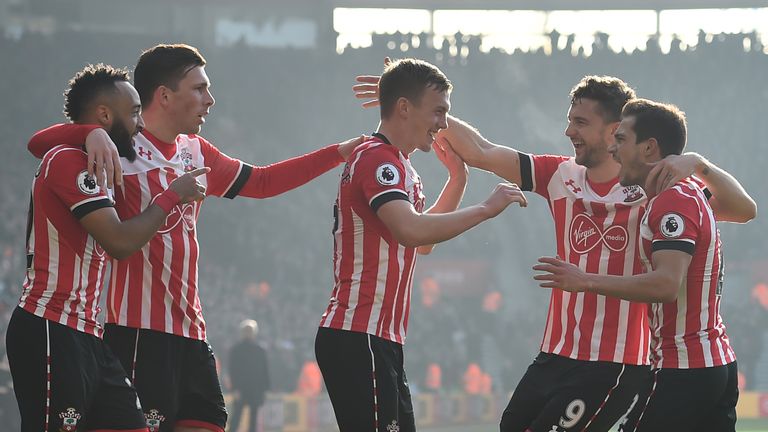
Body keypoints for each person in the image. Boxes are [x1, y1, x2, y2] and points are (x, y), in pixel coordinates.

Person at [354, 73, 756, 431]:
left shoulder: (654, 188)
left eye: (580, 122)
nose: (568, 132)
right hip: (555, 355)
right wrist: (416, 108)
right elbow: (479, 150)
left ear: (614, 130)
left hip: (617, 362)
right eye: (569, 121)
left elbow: (742, 210)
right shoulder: (561, 175)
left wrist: (700, 164)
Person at [26, 44, 364, 432]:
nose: (210, 99)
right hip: (139, 333)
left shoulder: (195, 151)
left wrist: (337, 153)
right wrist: (88, 133)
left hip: (193, 333)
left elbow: (263, 181)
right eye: (200, 89)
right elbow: (40, 144)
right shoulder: (118, 148)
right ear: (166, 96)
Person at [315, 58, 528, 432]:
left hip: (379, 337)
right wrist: (485, 208)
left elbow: (421, 244)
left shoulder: (400, 165)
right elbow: (411, 231)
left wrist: (458, 181)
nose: (444, 125)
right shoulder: (378, 159)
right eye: (439, 111)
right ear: (403, 108)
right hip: (358, 333)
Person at [6, 64, 206, 432]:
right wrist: (171, 196)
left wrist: (91, 133)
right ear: (103, 114)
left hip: (87, 333)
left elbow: (37, 140)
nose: (140, 124)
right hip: (51, 325)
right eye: (133, 113)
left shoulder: (92, 156)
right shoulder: (66, 160)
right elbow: (119, 242)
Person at [533, 99, 752, 432]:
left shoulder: (672, 201)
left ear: (649, 148)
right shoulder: (689, 192)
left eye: (620, 140)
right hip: (715, 363)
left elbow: (665, 284)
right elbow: (745, 210)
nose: (612, 149)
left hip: (681, 368)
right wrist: (700, 167)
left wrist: (586, 280)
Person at [228, 320, 269, 432]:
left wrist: (265, 388)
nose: (248, 333)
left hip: (255, 388)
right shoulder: (236, 350)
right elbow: (232, 371)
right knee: (236, 416)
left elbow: (264, 370)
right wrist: (235, 388)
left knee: (254, 418)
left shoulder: (260, 350)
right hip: (241, 388)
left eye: (250, 331)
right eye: (246, 331)